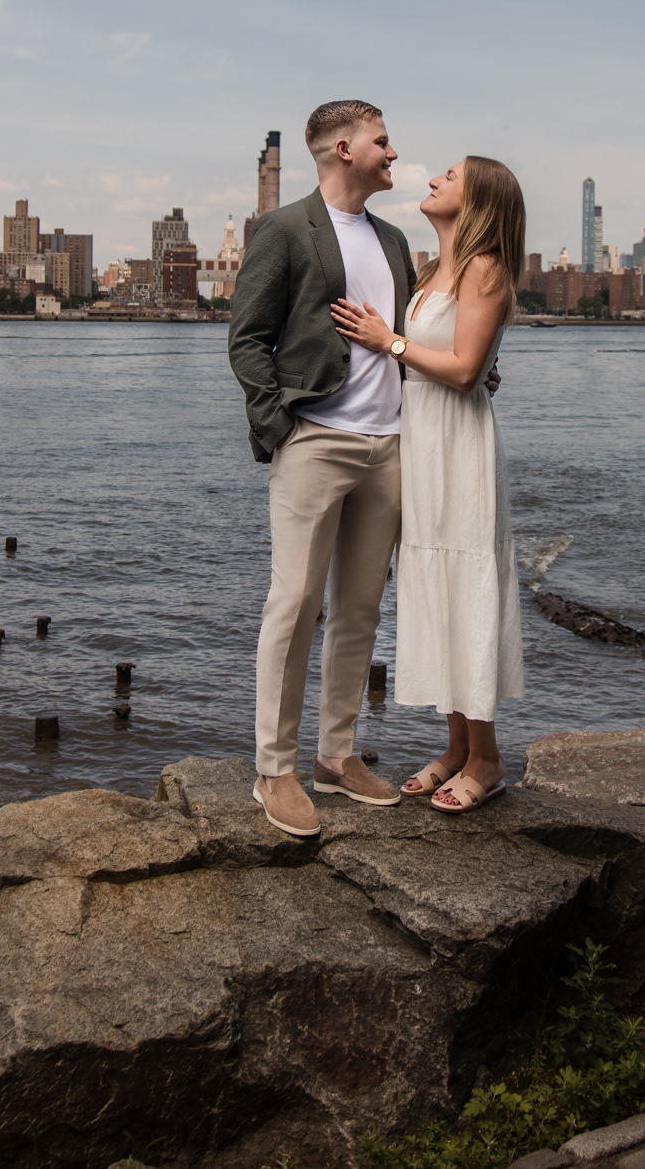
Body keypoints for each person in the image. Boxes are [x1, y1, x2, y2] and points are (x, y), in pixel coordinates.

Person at [226, 101, 417, 836]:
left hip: (389, 446)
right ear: (343, 147)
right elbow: (247, 339)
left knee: (361, 609)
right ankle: (274, 768)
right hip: (318, 438)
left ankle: (336, 759)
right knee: (296, 600)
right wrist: (283, 425)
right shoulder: (283, 228)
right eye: (382, 140)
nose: (393, 152)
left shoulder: (394, 240)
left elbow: (399, 338)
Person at [330, 155, 525, 814]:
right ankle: (454, 747)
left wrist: (389, 342)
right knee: (434, 585)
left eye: (451, 174)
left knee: (466, 586)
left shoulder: (485, 267)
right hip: (422, 441)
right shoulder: (427, 270)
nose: (435, 178)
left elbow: (468, 370)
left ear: (479, 200)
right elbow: (451, 357)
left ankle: (488, 757)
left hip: (460, 446)